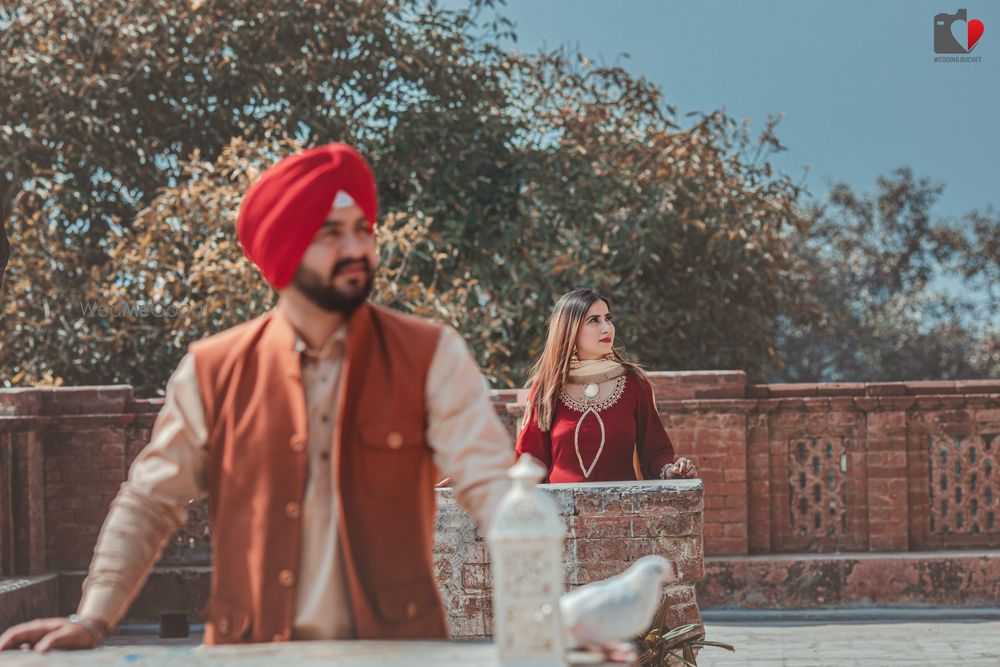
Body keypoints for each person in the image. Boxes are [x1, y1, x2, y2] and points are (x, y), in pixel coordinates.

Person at [0, 143, 515, 652]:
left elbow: (493, 489)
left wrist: (549, 617)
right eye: (331, 233)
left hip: (397, 652)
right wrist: (92, 620)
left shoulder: (430, 355)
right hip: (250, 652)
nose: (356, 248)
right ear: (286, 249)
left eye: (363, 230)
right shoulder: (213, 370)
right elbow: (149, 502)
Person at [516, 288, 697, 483]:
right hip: (559, 510)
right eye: (594, 320)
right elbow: (529, 460)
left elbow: (654, 450)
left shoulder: (634, 383)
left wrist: (671, 471)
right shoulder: (547, 387)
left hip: (621, 508)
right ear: (570, 329)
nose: (607, 328)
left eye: (608, 318)